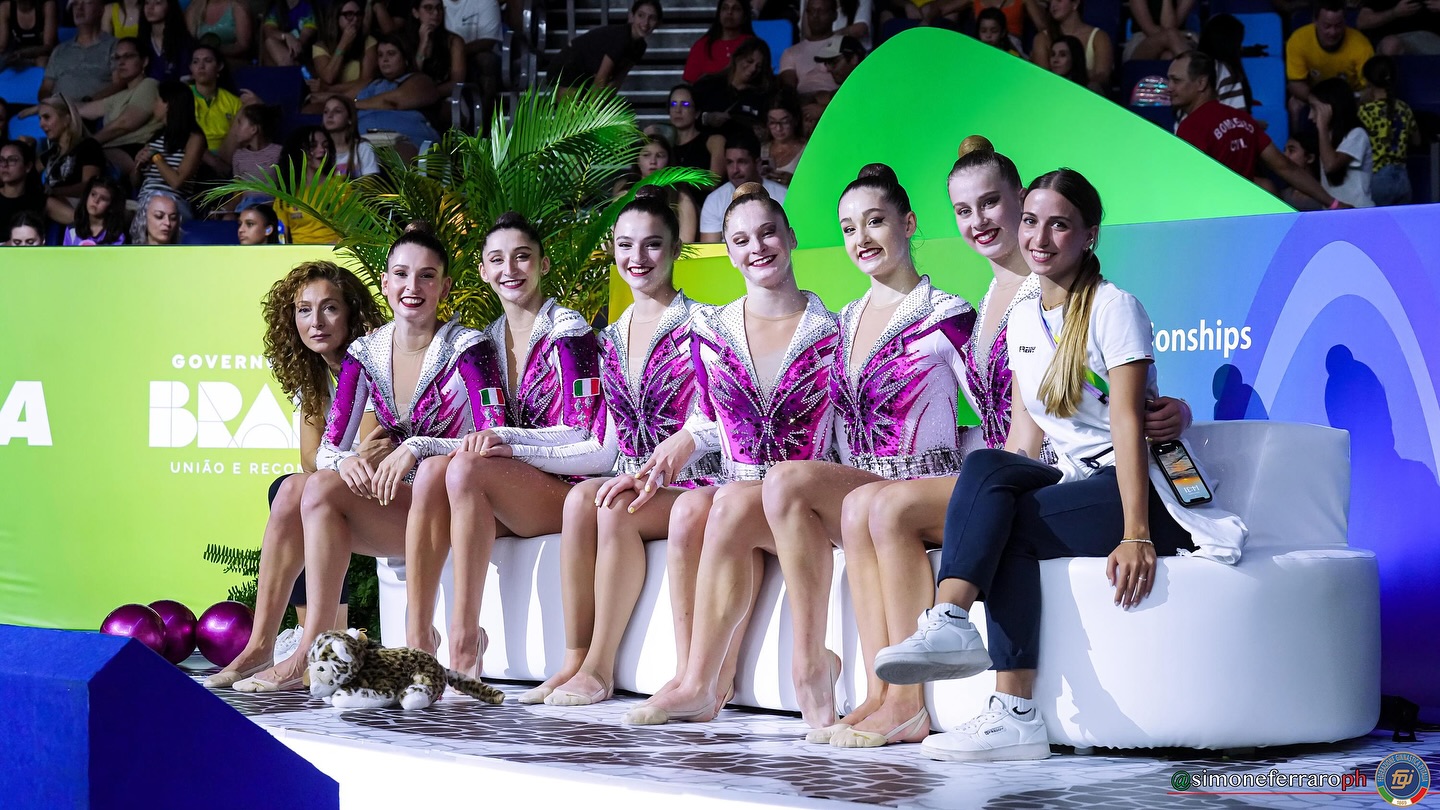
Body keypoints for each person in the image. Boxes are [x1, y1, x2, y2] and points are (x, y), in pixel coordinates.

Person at [825, 139, 1200, 750]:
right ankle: (955, 635)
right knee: (989, 471)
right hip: (1071, 480)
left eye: (1058, 224)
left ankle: (994, 685)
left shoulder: (1113, 306)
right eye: (1032, 222)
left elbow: (1128, 426)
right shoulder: (1023, 315)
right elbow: (1023, 442)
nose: (1039, 237)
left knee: (1001, 520)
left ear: (1089, 235)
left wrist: (1136, 534)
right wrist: (988, 489)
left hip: (1140, 487)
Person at [232, 227, 509, 692]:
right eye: (401, 274)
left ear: (444, 286)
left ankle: (438, 640)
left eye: (426, 276)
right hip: (400, 504)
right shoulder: (366, 352)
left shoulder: (469, 347)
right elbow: (327, 449)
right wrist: (344, 462)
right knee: (311, 485)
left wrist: (418, 446)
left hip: (458, 504)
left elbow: (493, 436)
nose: (412, 287)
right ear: (385, 282)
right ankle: (309, 647)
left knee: (407, 477)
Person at [757, 163, 975, 740]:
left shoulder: (946, 314)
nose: (862, 239)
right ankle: (874, 691)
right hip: (863, 486)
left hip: (924, 487)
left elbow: (997, 403)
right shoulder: (845, 319)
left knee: (865, 505)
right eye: (850, 229)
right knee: (787, 482)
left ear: (909, 224)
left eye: (875, 222)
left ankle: (906, 700)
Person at [621, 181, 839, 727]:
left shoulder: (832, 331)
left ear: (791, 237)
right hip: (741, 485)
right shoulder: (712, 330)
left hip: (803, 501)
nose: (756, 247)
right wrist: (684, 440)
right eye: (740, 239)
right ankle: (694, 674)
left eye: (768, 233)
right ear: (729, 251)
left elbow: (847, 427)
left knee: (728, 504)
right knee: (689, 509)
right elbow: (713, 415)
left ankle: (707, 681)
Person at [510, 188, 721, 706]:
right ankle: (573, 658)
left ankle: (600, 667)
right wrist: (511, 444)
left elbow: (722, 418)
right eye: (625, 245)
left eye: (652, 244)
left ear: (676, 250)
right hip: (626, 477)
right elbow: (604, 447)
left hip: (693, 480)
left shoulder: (707, 325)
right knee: (580, 498)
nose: (637, 257)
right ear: (612, 249)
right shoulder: (609, 338)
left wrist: (678, 449)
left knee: (612, 505)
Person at [403, 212, 604, 677]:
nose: (509, 269)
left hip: (568, 490)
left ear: (544, 264)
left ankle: (464, 644)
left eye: (522, 257)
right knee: (433, 471)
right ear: (482, 270)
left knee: (463, 468)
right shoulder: (487, 341)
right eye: (497, 260)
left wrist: (509, 440)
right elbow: (479, 435)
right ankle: (419, 641)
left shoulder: (568, 332)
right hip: (512, 490)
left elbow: (584, 434)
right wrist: (416, 444)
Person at [200, 263, 388, 689]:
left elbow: (372, 451)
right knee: (287, 489)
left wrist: (341, 458)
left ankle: (315, 645)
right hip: (346, 485)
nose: (315, 321)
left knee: (312, 490)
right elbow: (309, 457)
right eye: (304, 310)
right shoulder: (314, 371)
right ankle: (261, 645)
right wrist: (343, 458)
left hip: (390, 490)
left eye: (329, 308)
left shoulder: (373, 361)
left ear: (351, 312)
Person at [1168, 51, 1344, 208]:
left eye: (1176, 80)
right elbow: (1285, 167)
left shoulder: (1191, 127)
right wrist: (1333, 203)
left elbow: (1187, 189)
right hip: (1248, 216)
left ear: (1201, 83)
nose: (1169, 87)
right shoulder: (1242, 119)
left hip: (1216, 223)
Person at [1285, 0, 1373, 130]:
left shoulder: (1362, 46)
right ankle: (1298, 140)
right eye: (1327, 26)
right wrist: (1316, 101)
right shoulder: (1298, 40)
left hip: (1351, 97)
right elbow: (1295, 83)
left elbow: (1370, 88)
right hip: (1315, 93)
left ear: (1345, 21)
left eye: (1338, 25)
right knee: (1294, 104)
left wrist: (1349, 103)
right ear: (1315, 21)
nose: (1333, 32)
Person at [79, 37, 162, 174]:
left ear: (145, 61)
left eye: (128, 56)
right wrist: (52, 104)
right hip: (108, 149)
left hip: (137, 151)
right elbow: (82, 110)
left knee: (81, 160)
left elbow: (125, 124)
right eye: (117, 58)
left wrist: (90, 143)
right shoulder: (120, 95)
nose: (121, 62)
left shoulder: (149, 85)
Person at [355, 35, 440, 156]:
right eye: (380, 55)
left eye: (391, 54)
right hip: (362, 142)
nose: (385, 59)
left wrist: (353, 104)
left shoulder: (421, 81)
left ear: (405, 58)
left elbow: (393, 102)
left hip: (406, 140)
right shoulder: (372, 85)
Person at [548, 0, 660, 91]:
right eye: (641, 15)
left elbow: (618, 80)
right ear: (632, 16)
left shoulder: (640, 47)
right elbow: (601, 80)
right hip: (567, 67)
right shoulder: (621, 38)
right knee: (576, 111)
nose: (646, 22)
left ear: (658, 23)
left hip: (586, 75)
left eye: (652, 18)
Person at [699, 131, 786, 242]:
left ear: (758, 163)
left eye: (742, 162)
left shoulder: (784, 195)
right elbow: (710, 248)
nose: (735, 170)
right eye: (730, 162)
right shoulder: (714, 200)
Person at [1357, 55, 1420, 206]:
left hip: (1378, 178)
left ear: (1368, 82)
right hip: (1403, 178)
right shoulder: (1404, 108)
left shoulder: (1365, 111)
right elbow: (1417, 141)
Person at [31, 0, 115, 106]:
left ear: (101, 10)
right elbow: (46, 88)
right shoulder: (60, 50)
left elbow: (119, 84)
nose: (79, 8)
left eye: (87, 2)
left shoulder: (114, 46)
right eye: (75, 4)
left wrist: (85, 105)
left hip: (95, 111)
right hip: (59, 111)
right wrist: (49, 104)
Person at [132, 79, 206, 199]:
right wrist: (138, 164)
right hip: (145, 199)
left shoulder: (195, 139)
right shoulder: (155, 136)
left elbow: (176, 182)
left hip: (173, 201)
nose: (153, 104)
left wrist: (156, 157)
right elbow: (135, 182)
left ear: (168, 104)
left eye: (157, 100)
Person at [36, 96, 105, 224]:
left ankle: (91, 225)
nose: (41, 124)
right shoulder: (51, 154)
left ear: (67, 119)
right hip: (56, 202)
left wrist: (54, 191)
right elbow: (27, 172)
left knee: (44, 202)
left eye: (47, 117)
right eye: (40, 119)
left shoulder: (88, 146)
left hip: (83, 204)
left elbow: (89, 186)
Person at [1310, 76, 1375, 208]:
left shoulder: (1357, 134)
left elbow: (1331, 165)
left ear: (1330, 108)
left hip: (1358, 212)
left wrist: (1322, 126)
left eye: (1314, 109)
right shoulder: (1326, 136)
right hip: (1334, 213)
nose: (1310, 116)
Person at [619, 136, 699, 241]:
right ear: (637, 160)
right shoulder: (623, 197)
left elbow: (687, 242)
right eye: (646, 155)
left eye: (660, 156)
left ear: (668, 161)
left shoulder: (681, 198)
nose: (653, 161)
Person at [691, 37, 773, 136]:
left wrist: (764, 133)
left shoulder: (763, 95)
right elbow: (686, 116)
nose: (753, 69)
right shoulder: (707, 84)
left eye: (759, 66)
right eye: (749, 61)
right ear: (737, 57)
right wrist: (707, 118)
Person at [274, 125, 341, 244]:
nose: (322, 150)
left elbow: (353, 231)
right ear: (298, 151)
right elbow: (282, 238)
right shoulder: (285, 194)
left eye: (325, 145)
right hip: (298, 255)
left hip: (334, 253)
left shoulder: (341, 187)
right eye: (313, 146)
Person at [1030, 0, 1112, 91]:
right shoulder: (1042, 38)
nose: (1053, 5)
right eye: (1051, 1)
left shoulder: (1099, 37)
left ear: (1075, 3)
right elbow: (1044, 78)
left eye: (1059, 0)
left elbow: (1102, 75)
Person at [665, 84, 726, 199]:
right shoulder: (666, 146)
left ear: (697, 112)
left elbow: (713, 182)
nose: (678, 110)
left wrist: (676, 178)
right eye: (673, 104)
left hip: (706, 205)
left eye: (685, 104)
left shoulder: (714, 141)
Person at [309, 0, 376, 102]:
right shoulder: (321, 47)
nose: (355, 19)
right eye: (349, 15)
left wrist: (330, 89)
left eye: (358, 14)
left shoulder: (369, 42)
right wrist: (343, 44)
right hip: (329, 100)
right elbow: (329, 77)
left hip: (358, 97)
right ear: (336, 17)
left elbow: (367, 82)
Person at [779, 0, 841, 97]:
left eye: (821, 11)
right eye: (811, 11)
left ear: (834, 15)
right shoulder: (790, 52)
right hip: (804, 103)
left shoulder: (845, 45)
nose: (815, 16)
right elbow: (789, 91)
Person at [683, 0, 754, 82]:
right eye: (725, 8)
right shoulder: (702, 45)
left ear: (745, 16)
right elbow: (691, 82)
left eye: (736, 9)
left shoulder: (753, 45)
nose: (729, 12)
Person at [410, 0, 466, 100]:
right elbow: (409, 78)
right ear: (416, 13)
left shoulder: (454, 41)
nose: (436, 13)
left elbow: (457, 83)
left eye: (439, 8)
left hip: (446, 98)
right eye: (428, 8)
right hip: (411, 97)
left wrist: (427, 95)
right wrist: (422, 46)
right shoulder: (405, 39)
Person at [1198, 13, 1251, 111]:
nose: (1241, 48)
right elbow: (1235, 116)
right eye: (1238, 43)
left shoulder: (1192, 66)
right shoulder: (1225, 72)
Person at [321, 94, 378, 178]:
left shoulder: (363, 148)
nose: (329, 115)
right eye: (326, 111)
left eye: (337, 111)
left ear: (350, 119)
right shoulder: (319, 150)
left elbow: (371, 183)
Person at [1122, 0, 1196, 62]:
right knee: (1170, 35)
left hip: (1176, 41)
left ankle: (1193, 70)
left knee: (1168, 56)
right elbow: (1149, 30)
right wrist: (1183, 34)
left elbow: (1169, 26)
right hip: (1142, 40)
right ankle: (1196, 71)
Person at [1357, 0, 1440, 56]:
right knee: (1390, 44)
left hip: (1433, 39)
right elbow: (1362, 22)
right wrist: (1395, 12)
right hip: (1397, 40)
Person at [138, 0, 193, 83]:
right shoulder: (141, 42)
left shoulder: (184, 42)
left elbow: (186, 80)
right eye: (147, 3)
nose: (150, 8)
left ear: (170, 6)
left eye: (157, 3)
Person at [184, 0, 252, 66]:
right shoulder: (194, 8)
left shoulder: (237, 7)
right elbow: (188, 41)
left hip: (231, 62)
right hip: (201, 62)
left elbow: (243, 45)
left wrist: (214, 52)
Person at [63, 176, 127, 244]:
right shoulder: (72, 230)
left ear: (112, 206)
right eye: (93, 194)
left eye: (103, 198)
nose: (96, 200)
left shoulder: (117, 237)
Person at [0, 139, 43, 231]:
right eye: (1, 160)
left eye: (12, 160)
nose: (4, 165)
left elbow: (74, 217)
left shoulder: (39, 200)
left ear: (28, 166)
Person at [0, 0, 57, 67]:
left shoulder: (47, 5)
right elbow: (2, 46)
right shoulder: (5, 8)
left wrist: (23, 53)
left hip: (41, 53)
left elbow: (48, 47)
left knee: (42, 62)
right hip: (17, 54)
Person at [261, 0, 317, 66]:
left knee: (270, 43)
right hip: (281, 49)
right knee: (269, 42)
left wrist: (293, 43)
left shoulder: (308, 7)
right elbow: (268, 31)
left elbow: (303, 40)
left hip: (304, 53)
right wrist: (286, 36)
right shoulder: (277, 7)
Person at [761, 102, 805, 186]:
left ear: (795, 121)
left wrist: (794, 181)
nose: (778, 128)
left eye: (785, 122)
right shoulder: (761, 149)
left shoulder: (808, 150)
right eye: (773, 122)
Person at [800, 0, 873, 47]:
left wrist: (825, 39)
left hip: (852, 56)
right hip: (818, 54)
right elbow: (808, 34)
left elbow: (860, 29)